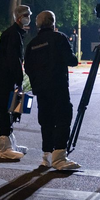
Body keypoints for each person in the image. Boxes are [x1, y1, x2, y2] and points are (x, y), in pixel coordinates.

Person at [24, 10, 80, 170]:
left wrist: (37, 81)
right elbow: (72, 60)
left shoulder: (32, 44)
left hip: (41, 89)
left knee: (46, 121)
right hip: (58, 87)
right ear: (53, 23)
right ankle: (60, 157)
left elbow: (27, 67)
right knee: (63, 118)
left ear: (37, 25)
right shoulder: (59, 38)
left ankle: (46, 156)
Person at [0, 4, 31, 160]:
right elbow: (13, 60)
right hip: (7, 79)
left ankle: (11, 144)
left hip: (8, 79)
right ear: (19, 17)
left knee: (12, 111)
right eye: (27, 15)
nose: (28, 18)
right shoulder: (13, 35)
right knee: (5, 110)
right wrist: (19, 80)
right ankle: (4, 149)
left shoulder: (15, 33)